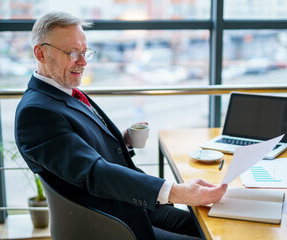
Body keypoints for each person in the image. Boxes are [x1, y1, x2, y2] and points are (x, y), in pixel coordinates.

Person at [15, 11, 227, 240]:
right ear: (41, 53)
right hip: (110, 222)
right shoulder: (36, 113)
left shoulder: (62, 90)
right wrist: (175, 192)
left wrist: (121, 141)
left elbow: (79, 153)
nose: (83, 62)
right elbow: (93, 172)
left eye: (85, 52)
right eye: (73, 53)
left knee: (214, 228)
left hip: (129, 204)